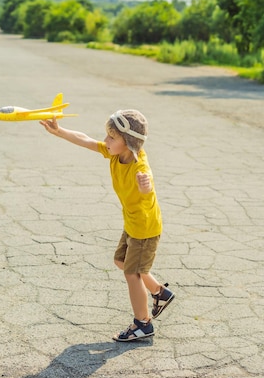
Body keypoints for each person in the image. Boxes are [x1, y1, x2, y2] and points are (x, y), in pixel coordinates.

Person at [39, 110, 175, 342]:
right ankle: (159, 292)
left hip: (144, 228)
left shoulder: (139, 165)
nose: (106, 141)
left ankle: (143, 324)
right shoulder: (114, 154)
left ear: (128, 141)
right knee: (121, 262)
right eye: (107, 135)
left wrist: (145, 186)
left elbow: (147, 186)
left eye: (112, 137)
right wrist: (59, 131)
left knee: (132, 273)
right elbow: (85, 140)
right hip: (132, 223)